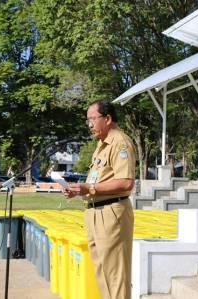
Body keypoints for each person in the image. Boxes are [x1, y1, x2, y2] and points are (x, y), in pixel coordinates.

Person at [63, 100, 135, 299]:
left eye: (93, 119)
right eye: (88, 120)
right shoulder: (101, 146)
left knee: (115, 276)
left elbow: (126, 183)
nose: (89, 125)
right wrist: (79, 191)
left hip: (111, 214)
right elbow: (99, 180)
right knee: (102, 273)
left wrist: (90, 188)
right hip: (95, 212)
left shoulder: (120, 143)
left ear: (108, 118)